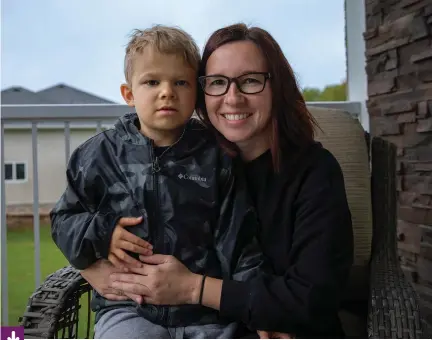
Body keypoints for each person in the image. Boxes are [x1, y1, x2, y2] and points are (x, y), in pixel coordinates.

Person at [81, 23, 354, 339]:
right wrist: (91, 265)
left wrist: (193, 288)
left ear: (276, 87)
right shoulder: (183, 164)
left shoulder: (314, 172)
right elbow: (94, 214)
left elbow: (312, 300)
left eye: (250, 81)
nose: (232, 98)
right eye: (218, 83)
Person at [50, 25, 267, 339]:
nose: (167, 92)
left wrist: (256, 308)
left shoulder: (216, 156)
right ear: (129, 94)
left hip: (207, 314)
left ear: (196, 93)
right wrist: (103, 233)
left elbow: (241, 240)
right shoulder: (98, 156)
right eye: (152, 82)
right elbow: (62, 221)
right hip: (127, 308)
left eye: (180, 82)